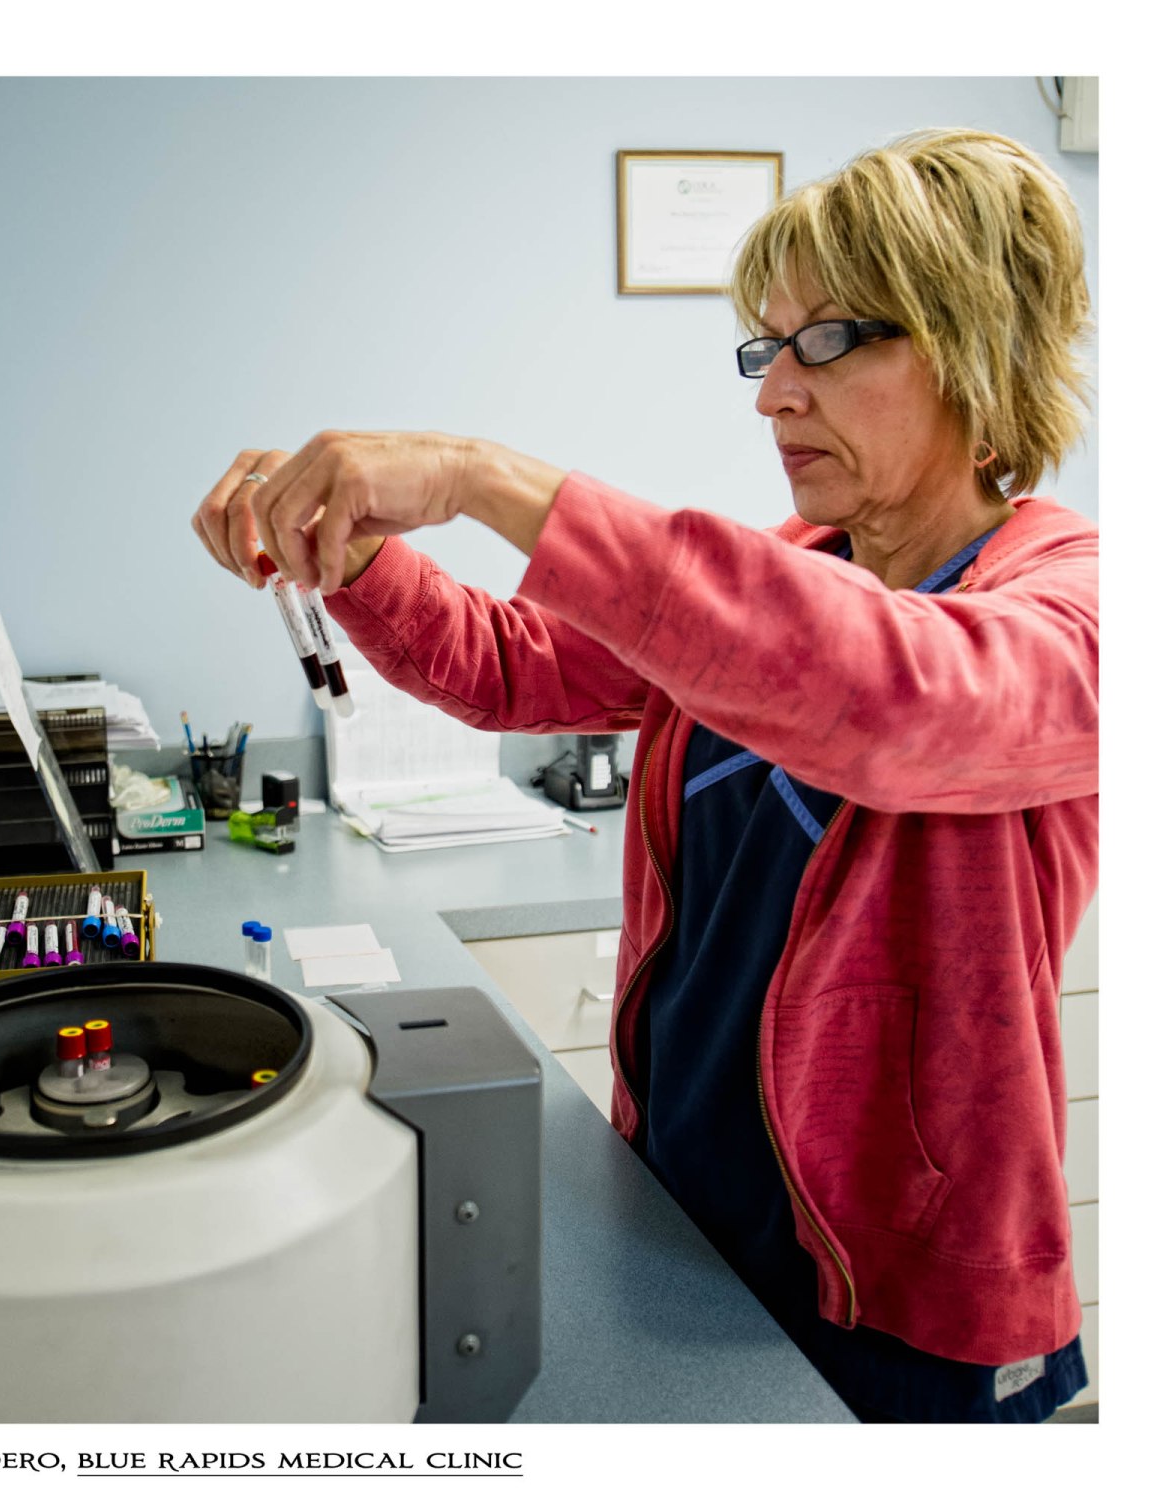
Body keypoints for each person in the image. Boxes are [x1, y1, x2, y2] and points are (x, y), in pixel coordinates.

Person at [191, 127, 1097, 1423]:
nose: (775, 396)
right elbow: (507, 665)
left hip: (899, 1288)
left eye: (829, 341)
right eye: (766, 350)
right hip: (687, 1211)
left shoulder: (1074, 608)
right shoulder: (784, 575)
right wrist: (352, 553)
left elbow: (892, 696)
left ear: (975, 343)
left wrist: (475, 476)